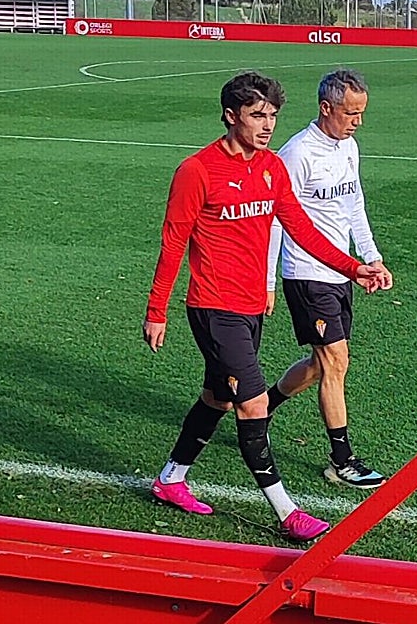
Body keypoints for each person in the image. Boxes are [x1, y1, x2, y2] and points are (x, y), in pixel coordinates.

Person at [143, 70, 388, 543]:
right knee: (252, 405)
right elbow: (173, 244)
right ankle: (287, 511)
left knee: (216, 398)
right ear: (231, 115)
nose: (267, 124)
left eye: (273, 115)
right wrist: (157, 311)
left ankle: (171, 479)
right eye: (258, 115)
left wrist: (355, 267)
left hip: (252, 306)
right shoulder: (197, 171)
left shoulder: (272, 167)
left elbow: (301, 229)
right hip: (214, 308)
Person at [265, 69, 393, 489]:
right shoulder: (297, 154)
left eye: (361, 113)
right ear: (326, 108)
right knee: (336, 362)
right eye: (351, 113)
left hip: (341, 271)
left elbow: (354, 205)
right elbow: (275, 224)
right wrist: (268, 282)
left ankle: (264, 405)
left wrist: (371, 258)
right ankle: (343, 459)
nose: (358, 121)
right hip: (307, 274)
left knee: (323, 366)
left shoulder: (348, 147)